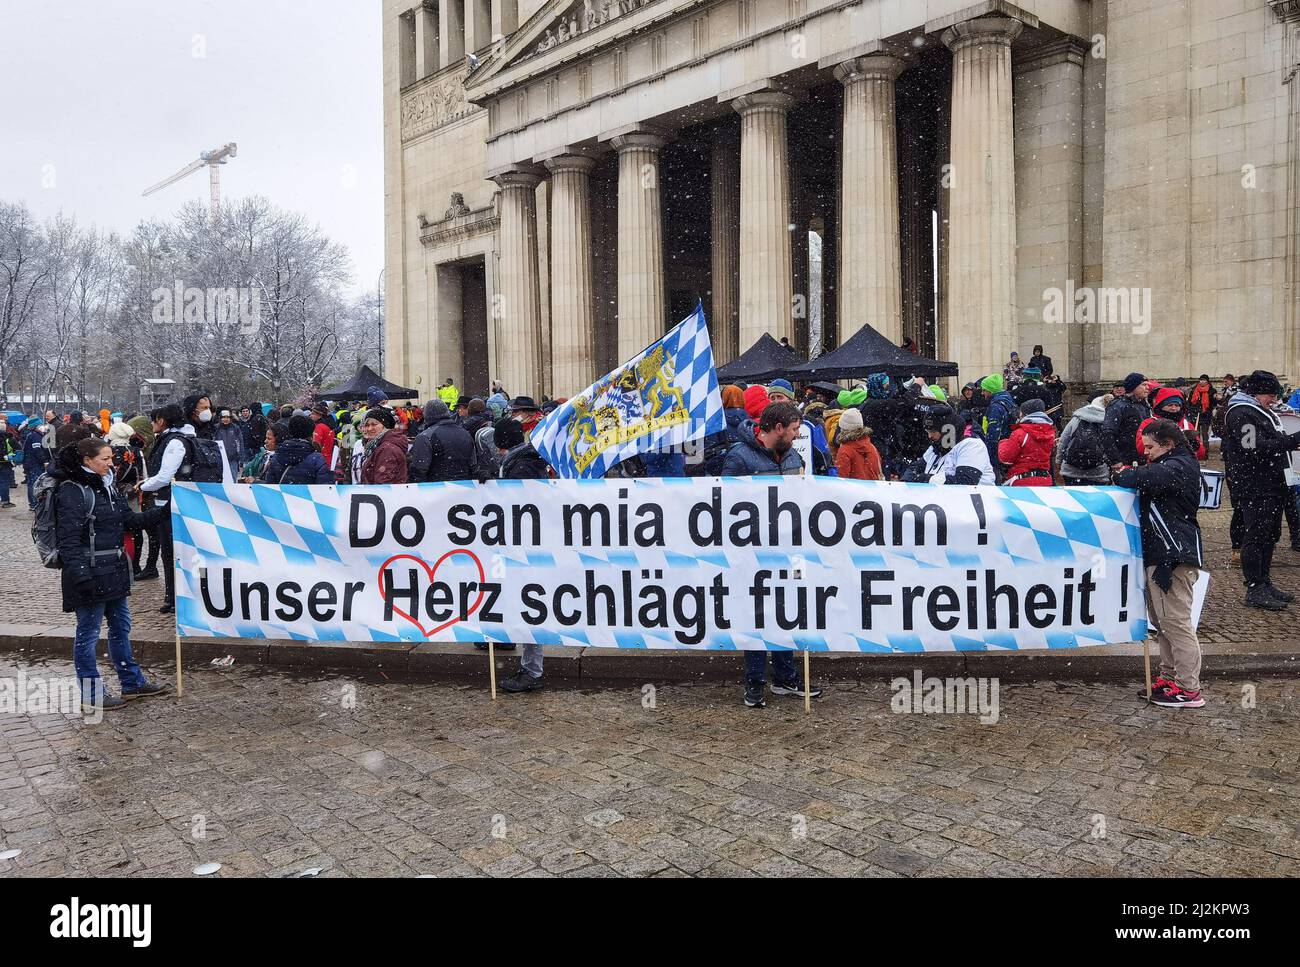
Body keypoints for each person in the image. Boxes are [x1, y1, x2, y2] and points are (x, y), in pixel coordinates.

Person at [52, 438, 170, 711]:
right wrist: (81, 576)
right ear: (87, 460)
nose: (111, 463)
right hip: (89, 573)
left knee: (121, 628)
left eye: (110, 458)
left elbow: (128, 521)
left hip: (113, 570)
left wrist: (164, 512)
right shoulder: (72, 491)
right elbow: (67, 540)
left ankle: (132, 683)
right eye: (104, 459)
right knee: (88, 635)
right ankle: (92, 694)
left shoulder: (108, 486)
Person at [719, 401, 822, 708]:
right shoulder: (739, 457)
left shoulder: (792, 456)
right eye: (793, 430)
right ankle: (754, 683)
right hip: (752, 551)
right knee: (756, 616)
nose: (797, 435)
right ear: (778, 429)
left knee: (786, 612)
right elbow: (723, 505)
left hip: (787, 549)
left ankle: (785, 677)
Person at [1113, 419, 1206, 708]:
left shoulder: (1179, 466)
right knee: (1162, 623)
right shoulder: (1172, 464)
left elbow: (1135, 478)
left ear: (1168, 444)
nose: (1147, 452)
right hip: (1161, 554)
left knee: (1176, 623)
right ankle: (1169, 677)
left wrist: (1126, 472)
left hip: (1173, 556)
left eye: (1151, 447)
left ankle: (1189, 689)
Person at [1222, 370, 1300, 611]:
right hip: (1254, 486)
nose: (1273, 400)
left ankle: (1265, 583)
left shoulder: (1260, 411)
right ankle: (1255, 587)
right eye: (1270, 394)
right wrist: (1293, 440)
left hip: (1270, 484)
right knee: (1256, 537)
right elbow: (1253, 448)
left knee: (1269, 536)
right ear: (1256, 393)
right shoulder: (1241, 413)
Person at [919, 407, 995, 485]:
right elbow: (913, 470)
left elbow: (965, 482)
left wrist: (926, 479)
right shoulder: (935, 448)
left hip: (977, 496)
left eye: (933, 431)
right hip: (939, 496)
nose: (929, 436)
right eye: (927, 432)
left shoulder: (972, 446)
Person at [408, 400, 477, 482]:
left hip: (436, 488)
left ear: (427, 415)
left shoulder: (425, 436)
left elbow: (418, 470)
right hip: (465, 488)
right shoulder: (465, 433)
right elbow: (473, 465)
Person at [998, 398, 1057, 486]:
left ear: (1025, 414)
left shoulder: (1020, 433)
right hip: (1045, 480)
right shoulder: (1050, 432)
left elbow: (1006, 458)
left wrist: (1002, 442)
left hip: (1022, 481)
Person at [1137, 387, 1206, 462]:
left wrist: (1196, 446)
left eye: (1177, 405)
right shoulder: (1149, 423)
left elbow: (1201, 454)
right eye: (1170, 405)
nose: (1174, 408)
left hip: (1184, 466)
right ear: (1161, 406)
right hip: (1158, 467)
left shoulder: (1186, 424)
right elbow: (1141, 448)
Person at [1058, 396, 1112, 485]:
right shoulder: (1107, 422)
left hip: (1071, 471)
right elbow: (1109, 446)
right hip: (1098, 473)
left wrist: (1059, 461)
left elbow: (1063, 441)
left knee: (1072, 498)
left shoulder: (1076, 419)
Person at [265, 415, 334, 484]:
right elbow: (324, 489)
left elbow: (269, 487)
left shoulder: (277, 457)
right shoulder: (317, 459)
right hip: (307, 494)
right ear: (311, 433)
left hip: (282, 494)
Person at [1104, 373, 1151, 468]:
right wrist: (1115, 460)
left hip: (1142, 457)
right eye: (1144, 385)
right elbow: (1107, 433)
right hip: (1124, 459)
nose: (1147, 388)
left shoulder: (1144, 405)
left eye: (1147, 384)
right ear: (1133, 387)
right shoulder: (1118, 405)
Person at [978, 373, 1018, 474]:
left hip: (997, 452)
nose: (982, 393)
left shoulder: (996, 407)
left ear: (991, 391)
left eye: (984, 390)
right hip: (1007, 448)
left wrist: (989, 456)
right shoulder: (1008, 401)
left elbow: (993, 434)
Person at [359, 408, 409, 484]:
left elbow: (383, 484)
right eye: (367, 425)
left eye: (374, 424)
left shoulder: (386, 449)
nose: (369, 428)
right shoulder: (378, 445)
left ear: (385, 426)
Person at [833, 408, 882, 480]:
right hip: (872, 489)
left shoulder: (845, 450)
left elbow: (841, 479)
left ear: (843, 428)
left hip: (853, 490)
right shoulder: (872, 447)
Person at [21, 417, 52, 510]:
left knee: (32, 483)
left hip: (31, 463)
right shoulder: (36, 436)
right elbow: (37, 450)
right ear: (36, 426)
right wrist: (44, 461)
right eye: (40, 425)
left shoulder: (33, 435)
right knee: (34, 483)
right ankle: (34, 503)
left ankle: (33, 503)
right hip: (34, 464)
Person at [213, 409, 246, 480]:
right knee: (220, 479)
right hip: (219, 459)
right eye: (224, 417)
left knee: (232, 478)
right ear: (220, 418)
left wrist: (241, 458)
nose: (226, 419)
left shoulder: (235, 428)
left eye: (228, 417)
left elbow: (240, 443)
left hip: (233, 458)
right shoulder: (216, 428)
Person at [309, 404, 337, 477]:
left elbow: (315, 444)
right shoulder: (328, 425)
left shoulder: (319, 427)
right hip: (328, 459)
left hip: (320, 461)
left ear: (320, 415)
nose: (310, 415)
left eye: (313, 413)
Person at [1188, 376, 1217, 441]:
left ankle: (1205, 449)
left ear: (1207, 381)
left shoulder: (1212, 390)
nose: (1202, 382)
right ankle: (1197, 447)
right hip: (1195, 414)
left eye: (1204, 380)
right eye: (1201, 380)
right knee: (1196, 433)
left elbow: (1213, 403)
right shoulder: (1194, 390)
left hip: (1206, 415)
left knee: (1205, 434)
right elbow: (1190, 402)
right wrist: (1192, 410)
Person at [0, 415, 19, 509]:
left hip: (3, 462)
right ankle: (5, 501)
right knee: (4, 482)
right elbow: (18, 450)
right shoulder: (10, 438)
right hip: (5, 463)